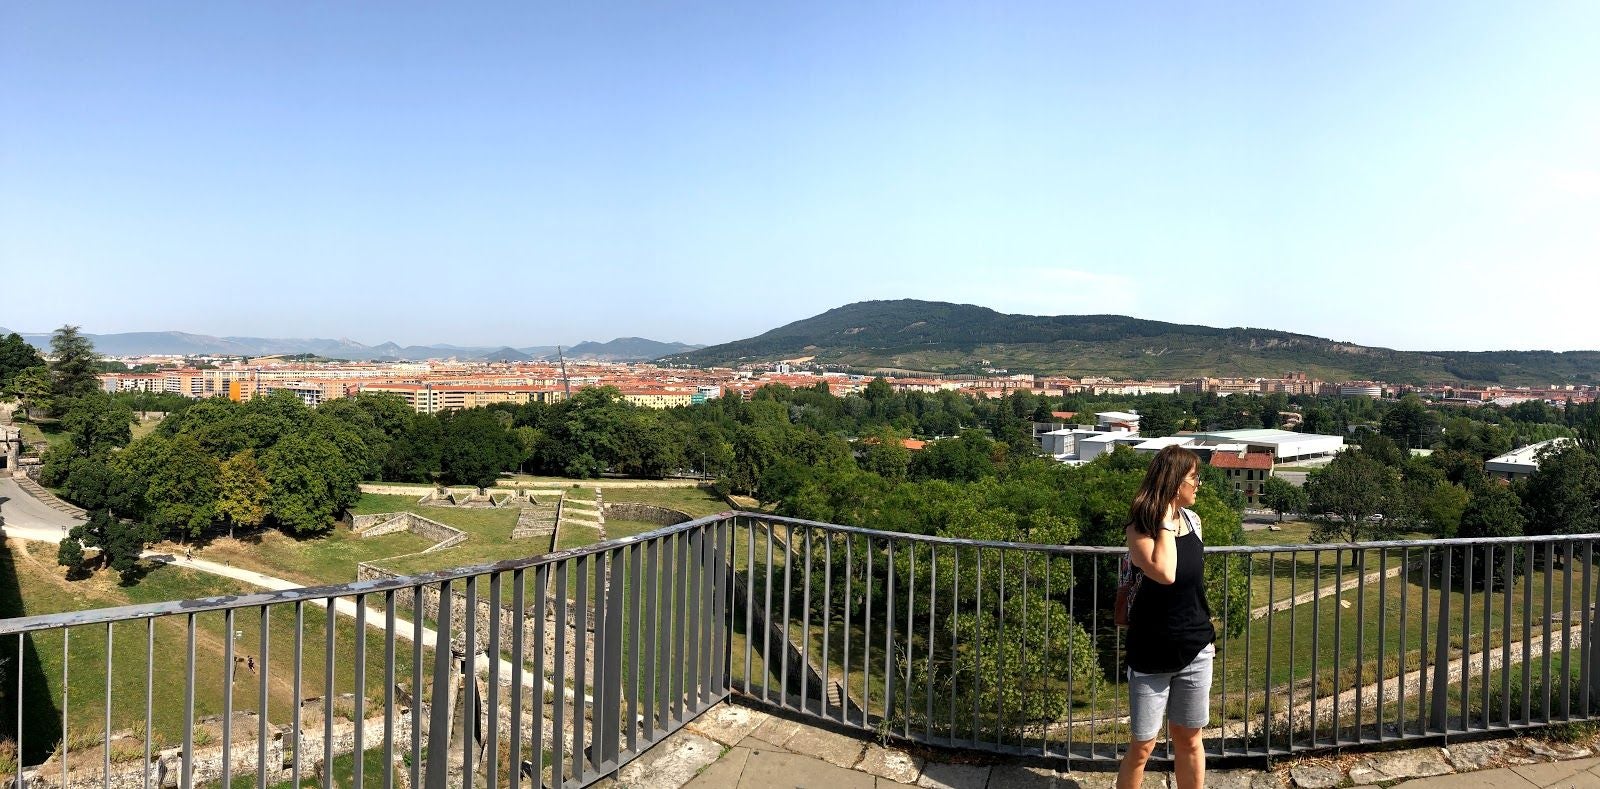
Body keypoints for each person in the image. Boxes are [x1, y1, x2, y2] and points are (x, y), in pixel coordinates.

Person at [1118, 445, 1215, 789]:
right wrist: (1163, 518)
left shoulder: (1194, 521)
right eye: (1192, 478)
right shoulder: (1140, 528)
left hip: (1195, 646)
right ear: (1175, 483)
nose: (1198, 484)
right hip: (1150, 651)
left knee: (1189, 738)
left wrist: (1173, 516)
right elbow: (1166, 572)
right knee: (1143, 745)